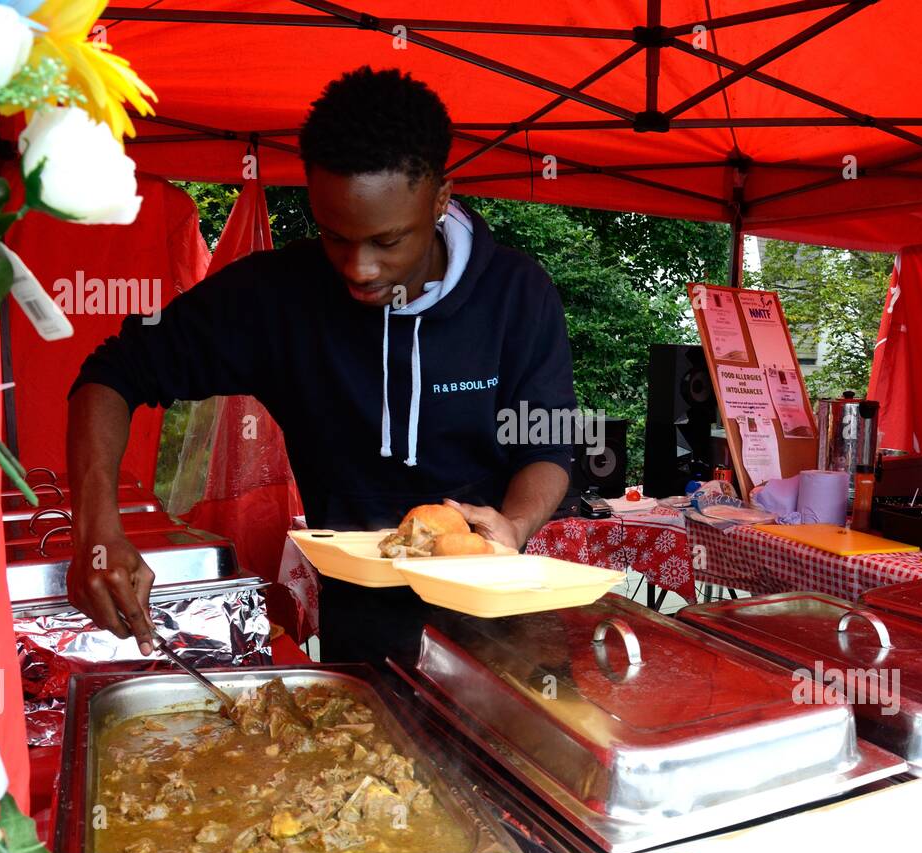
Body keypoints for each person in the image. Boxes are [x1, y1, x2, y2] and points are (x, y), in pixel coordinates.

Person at [65, 66, 576, 668]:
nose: (358, 268)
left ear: (440, 198)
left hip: (508, 620)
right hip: (364, 635)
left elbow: (548, 444)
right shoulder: (275, 297)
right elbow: (110, 375)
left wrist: (514, 525)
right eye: (335, 236)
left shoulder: (517, 293)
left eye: (387, 242)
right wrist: (95, 528)